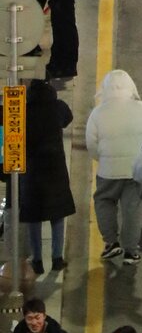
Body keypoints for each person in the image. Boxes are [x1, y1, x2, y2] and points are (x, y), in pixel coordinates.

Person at [87, 69, 142, 267]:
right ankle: (130, 251)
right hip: (135, 170)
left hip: (108, 170)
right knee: (132, 210)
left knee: (103, 201)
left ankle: (111, 243)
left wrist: (102, 159)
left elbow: (91, 144)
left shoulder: (98, 112)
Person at [21, 79, 74, 275]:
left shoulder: (25, 110)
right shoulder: (58, 107)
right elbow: (69, 117)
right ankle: (57, 258)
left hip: (32, 169)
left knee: (34, 218)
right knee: (57, 214)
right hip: (55, 168)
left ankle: (37, 261)